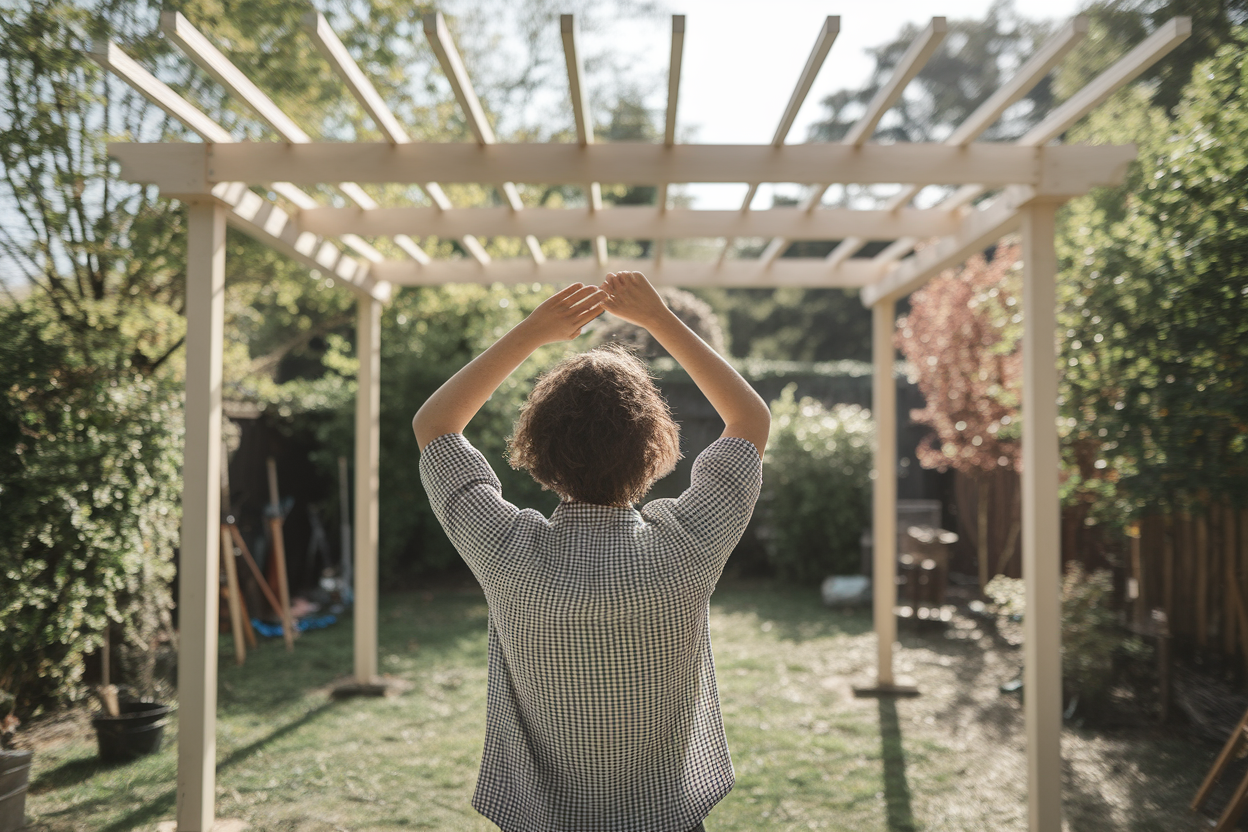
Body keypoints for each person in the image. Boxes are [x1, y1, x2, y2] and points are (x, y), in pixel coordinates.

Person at [413, 271, 770, 832]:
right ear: (655, 448)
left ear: (535, 450)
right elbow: (750, 421)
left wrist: (533, 331)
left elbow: (435, 426)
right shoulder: (687, 548)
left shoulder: (507, 553)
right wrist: (659, 319)